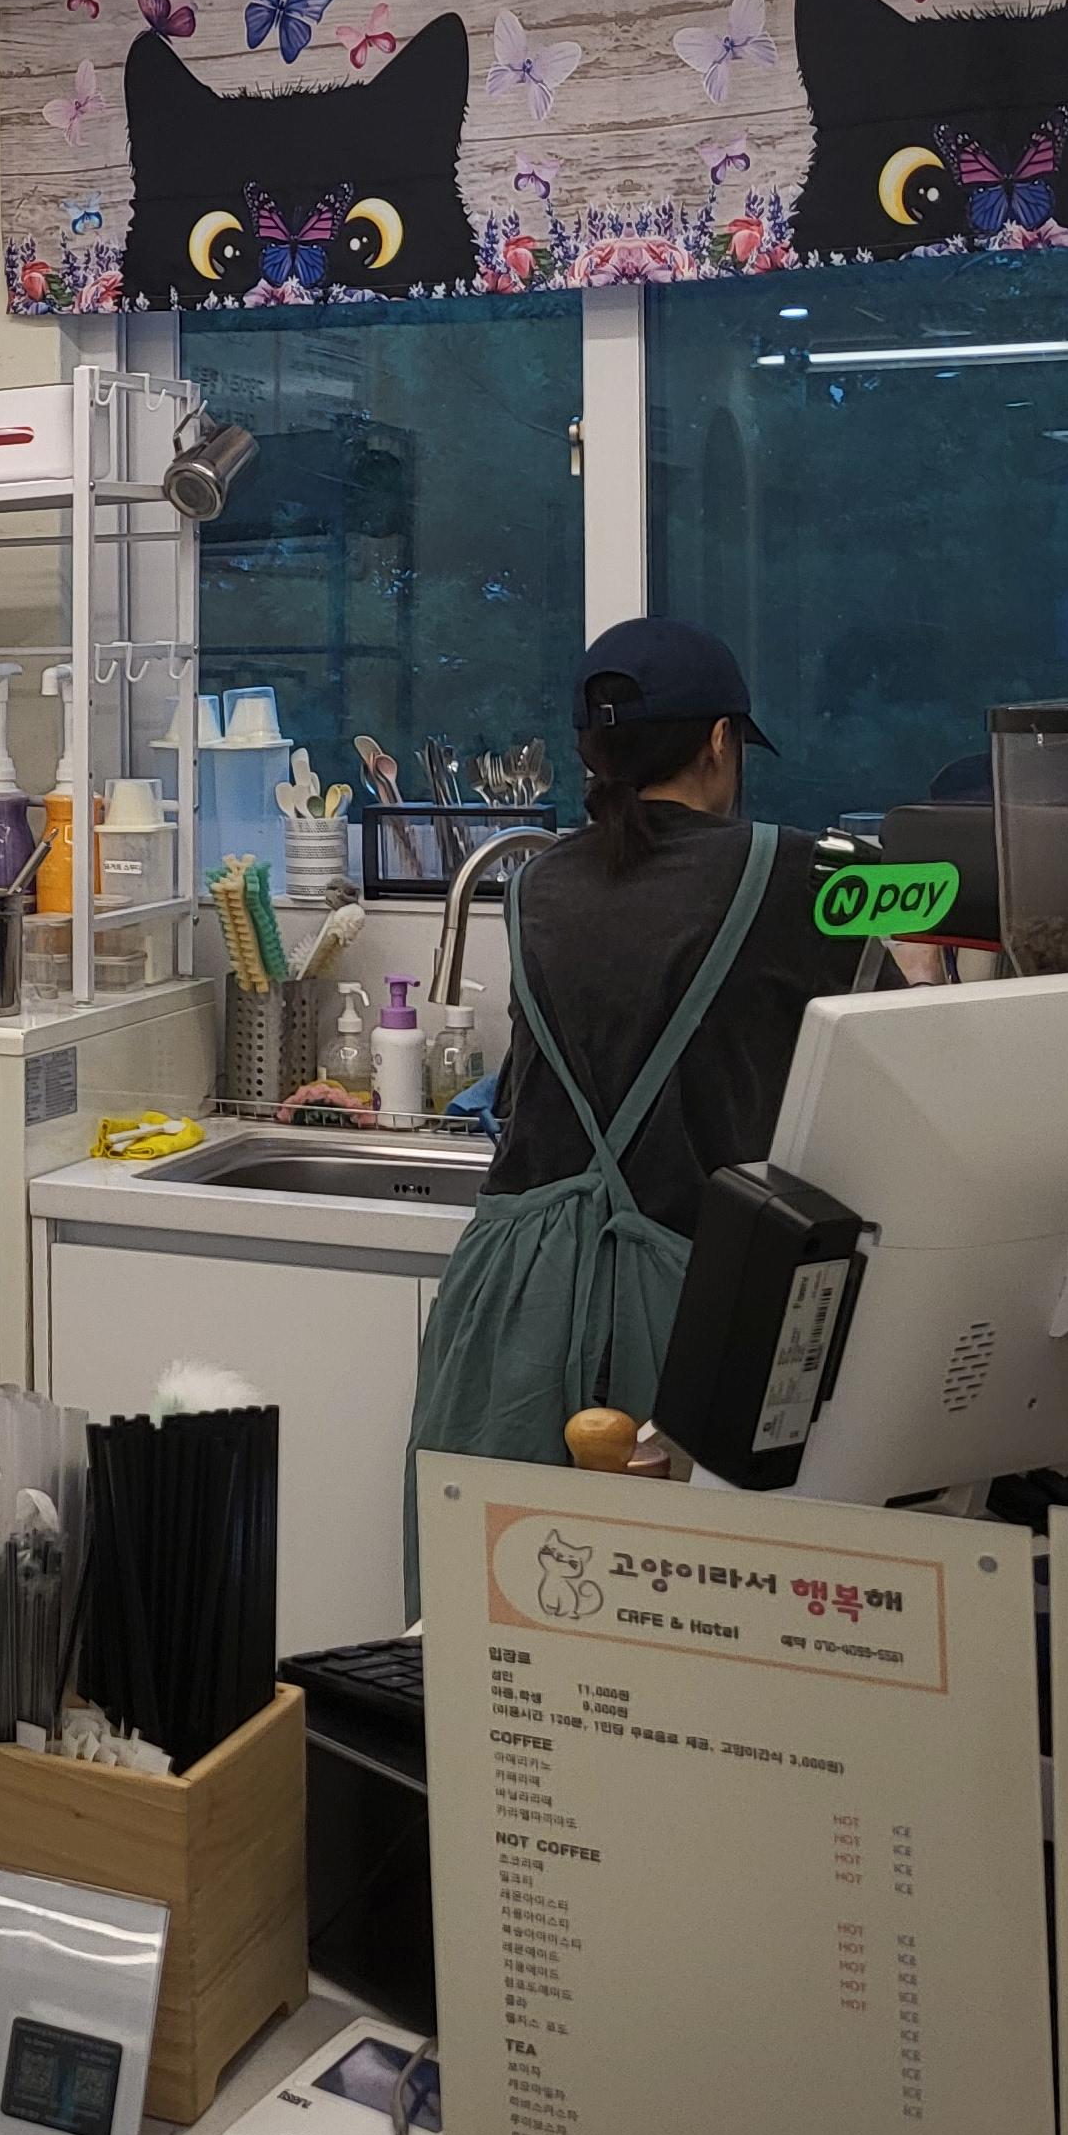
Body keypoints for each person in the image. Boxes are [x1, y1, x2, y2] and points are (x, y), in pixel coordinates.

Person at [403, 618, 867, 1596]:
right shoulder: (810, 873)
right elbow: (892, 1053)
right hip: (699, 1304)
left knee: (498, 1606)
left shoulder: (533, 884)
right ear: (720, 741)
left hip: (515, 1302)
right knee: (687, 1618)